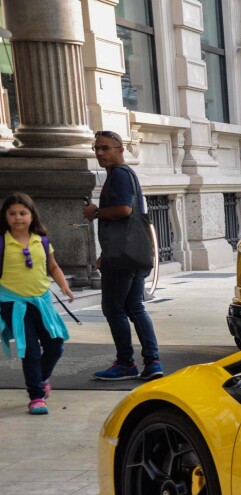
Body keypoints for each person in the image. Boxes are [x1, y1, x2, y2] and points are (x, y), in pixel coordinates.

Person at [83, 130, 162, 381]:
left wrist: (95, 213)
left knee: (114, 308)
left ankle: (126, 363)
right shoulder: (128, 175)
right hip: (135, 253)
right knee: (135, 307)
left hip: (123, 258)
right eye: (97, 148)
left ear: (120, 149)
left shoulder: (118, 175)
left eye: (105, 148)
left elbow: (124, 211)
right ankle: (152, 362)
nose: (100, 153)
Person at [0, 194, 73, 415]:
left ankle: (40, 379)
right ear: (5, 216)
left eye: (23, 213)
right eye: (12, 213)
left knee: (55, 344)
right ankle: (36, 397)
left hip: (42, 302)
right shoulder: (2, 242)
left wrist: (64, 287)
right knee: (30, 350)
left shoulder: (42, 240)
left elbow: (53, 267)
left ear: (32, 216)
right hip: (14, 304)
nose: (17, 218)